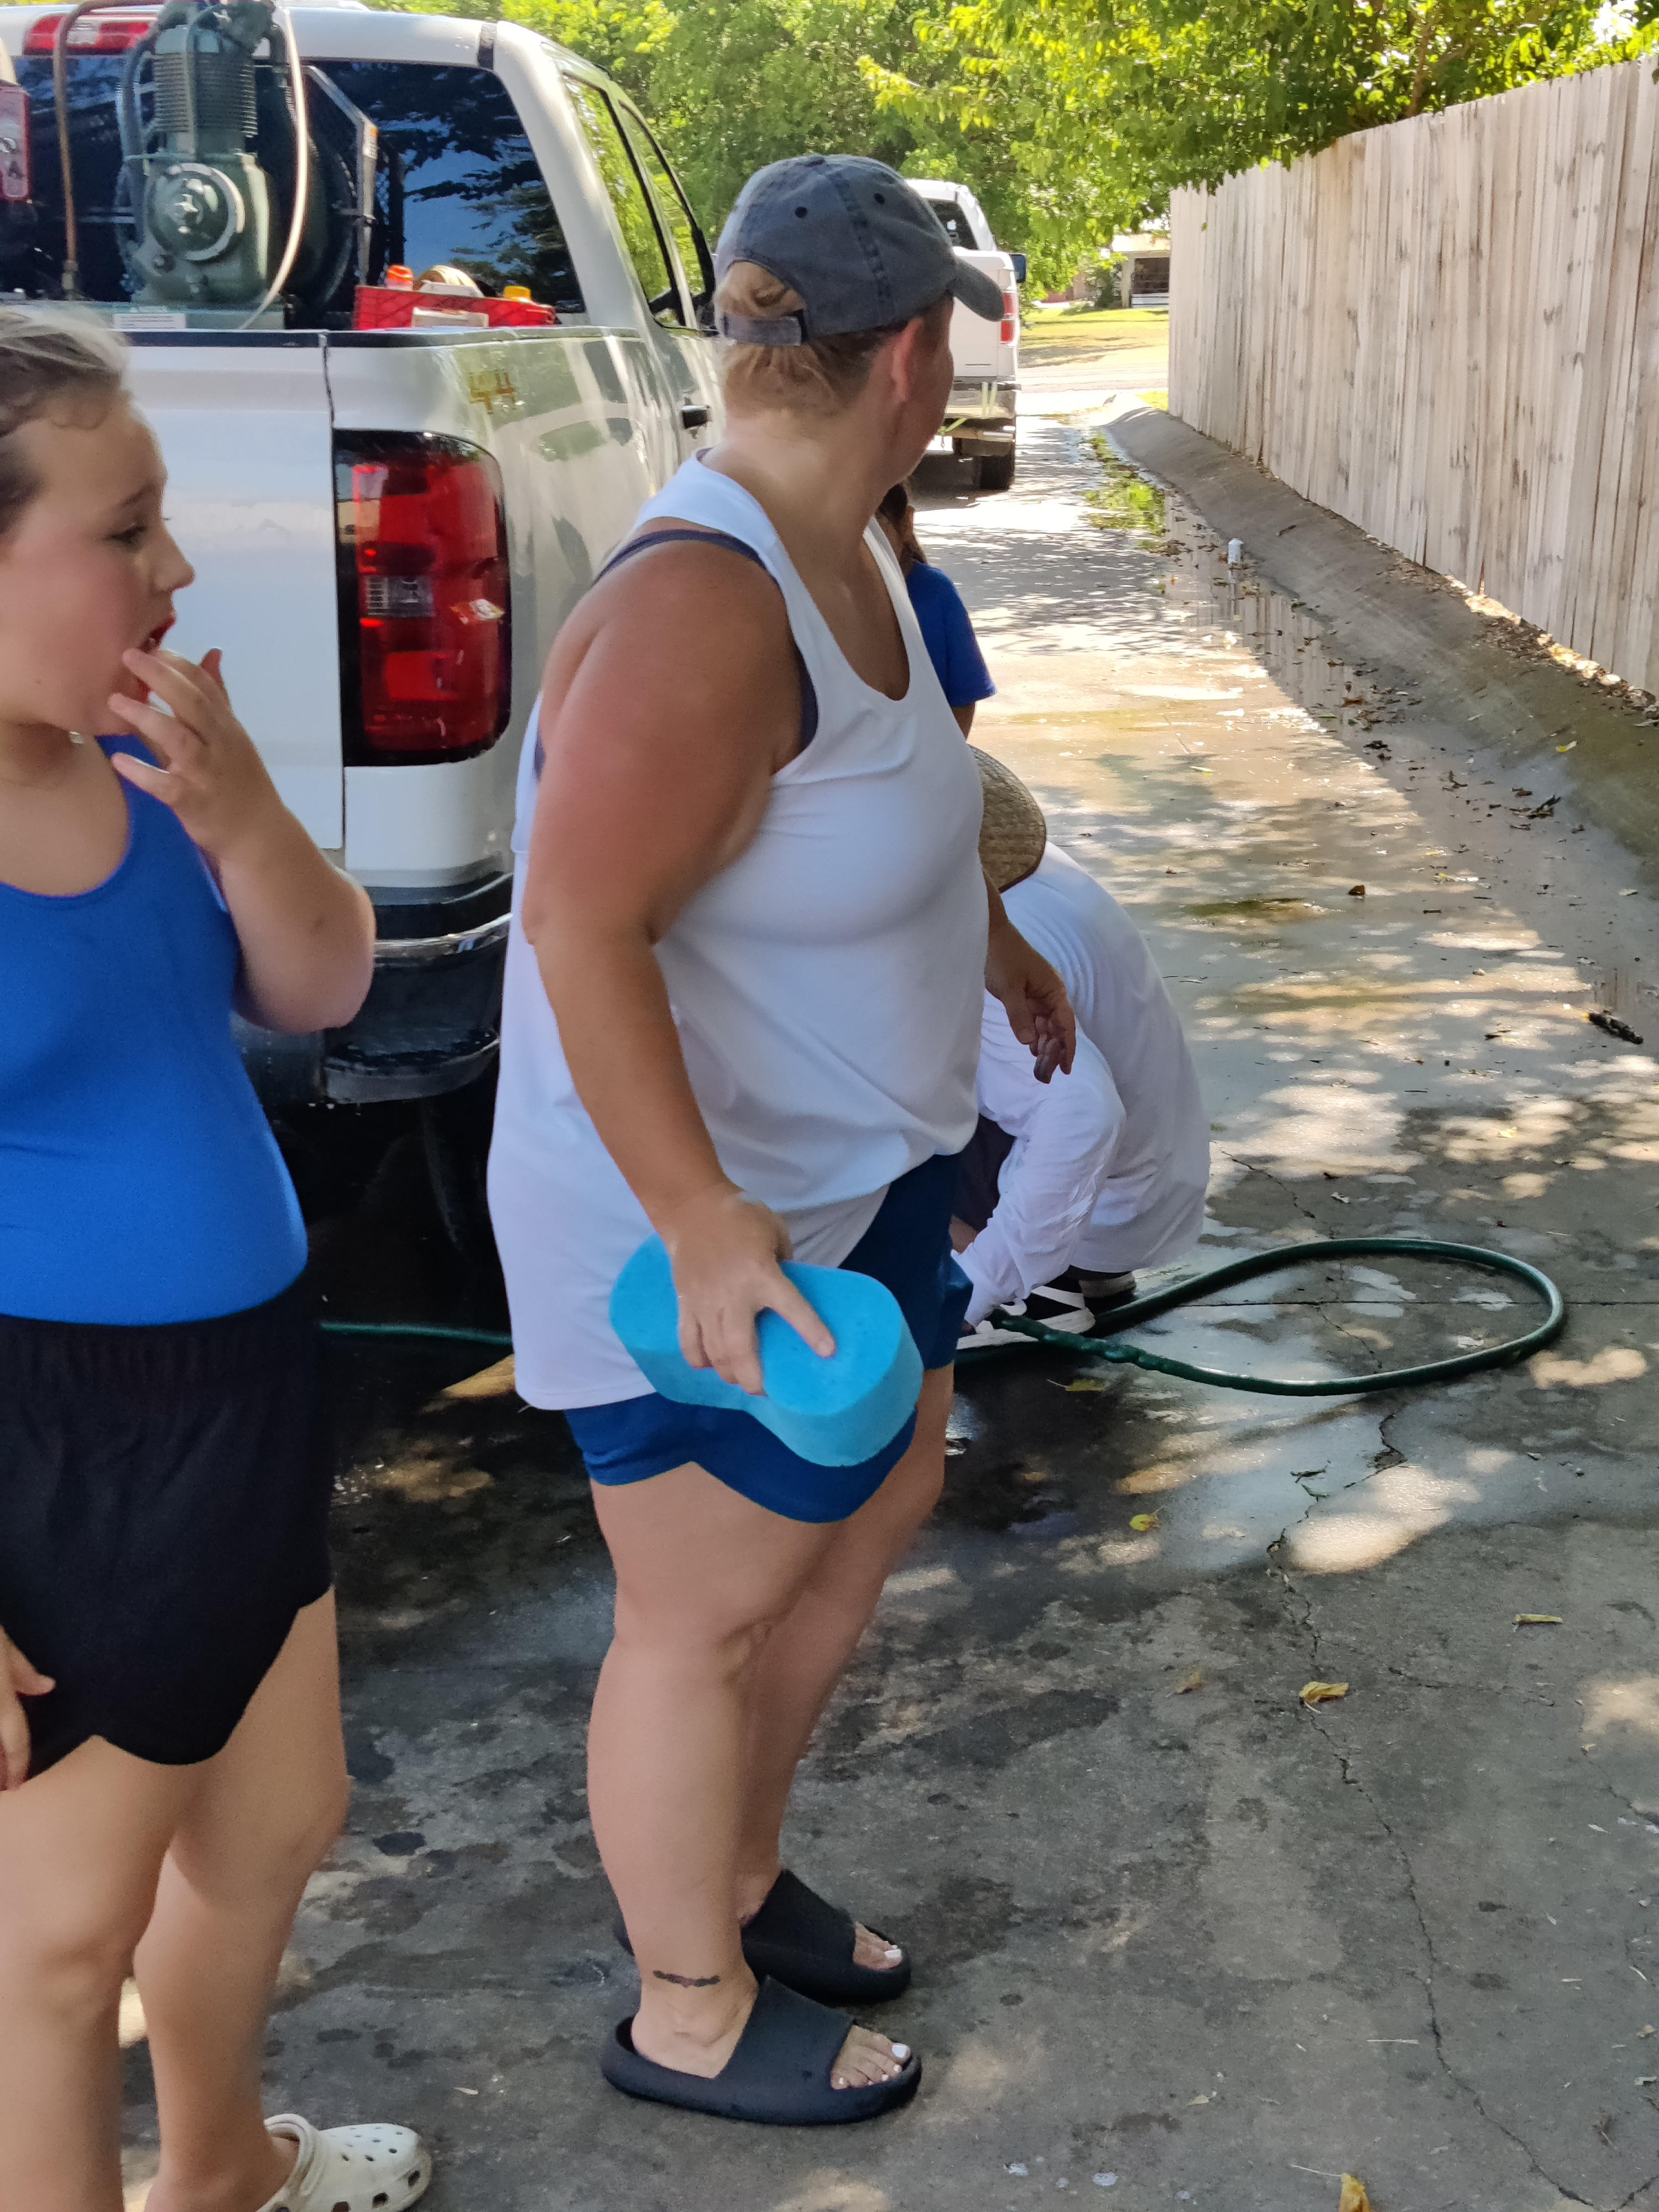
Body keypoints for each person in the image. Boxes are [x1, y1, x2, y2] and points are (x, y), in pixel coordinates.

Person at [489, 154, 1074, 2126]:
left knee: (866, 1510)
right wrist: (700, 1217)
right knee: (701, 1616)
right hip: (700, 1234)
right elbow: (581, 924)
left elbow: (867, 810)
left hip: (858, 1181)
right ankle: (685, 2001)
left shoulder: (853, 547)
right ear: (909, 355)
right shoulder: (700, 599)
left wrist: (987, 940)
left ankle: (737, 1877)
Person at [0, 314, 430, 2212]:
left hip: (241, 1386)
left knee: (274, 1826)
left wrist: (243, 807)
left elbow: (322, 983)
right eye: (125, 530)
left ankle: (223, 2169)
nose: (175, 566)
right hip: (55, 1447)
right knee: (54, 1949)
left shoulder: (144, 750)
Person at [953, 753, 1210, 1347]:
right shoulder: (1034, 877)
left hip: (1094, 1209)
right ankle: (1057, 1269)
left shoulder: (971, 948)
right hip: (1135, 1202)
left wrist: (970, 1289)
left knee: (852, 1111)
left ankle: (1032, 1292)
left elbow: (1081, 1116)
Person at [875, 477, 994, 734]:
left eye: (876, 537)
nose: (865, 552)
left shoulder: (936, 594)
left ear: (906, 523)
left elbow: (963, 698)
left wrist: (943, 754)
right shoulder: (821, 601)